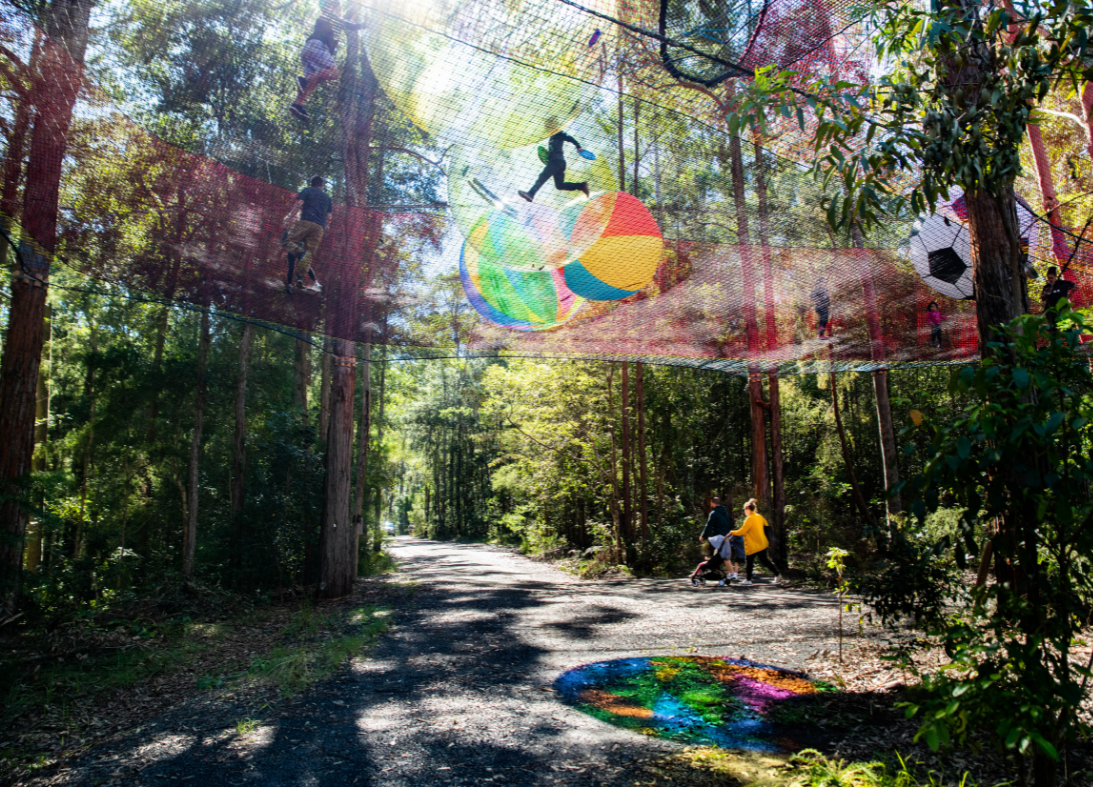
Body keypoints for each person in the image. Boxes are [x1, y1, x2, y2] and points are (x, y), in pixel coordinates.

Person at [290, 16, 365, 121]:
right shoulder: (329, 15)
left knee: (315, 79)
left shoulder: (331, 26)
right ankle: (304, 81)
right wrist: (363, 25)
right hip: (317, 46)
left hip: (308, 49)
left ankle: (297, 104)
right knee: (334, 73)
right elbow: (350, 24)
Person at [282, 176, 331, 294]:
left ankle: (304, 279)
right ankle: (298, 280)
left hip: (306, 221)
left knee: (287, 242)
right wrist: (324, 227)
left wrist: (288, 218)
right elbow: (329, 217)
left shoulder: (307, 190)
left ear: (312, 183)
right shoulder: (327, 198)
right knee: (308, 255)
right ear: (322, 185)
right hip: (319, 227)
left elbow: (299, 203)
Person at [518, 128, 591, 203]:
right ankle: (581, 186)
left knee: (543, 177)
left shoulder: (558, 133)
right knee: (559, 185)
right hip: (558, 163)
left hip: (556, 162)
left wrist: (578, 146)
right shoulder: (552, 137)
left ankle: (531, 194)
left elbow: (569, 138)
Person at [729, 498, 781, 586]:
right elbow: (767, 526)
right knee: (764, 560)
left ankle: (748, 580)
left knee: (749, 561)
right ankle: (777, 574)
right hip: (762, 543)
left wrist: (732, 532)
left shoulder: (749, 519)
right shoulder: (759, 516)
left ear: (748, 509)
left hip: (753, 545)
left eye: (744, 509)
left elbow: (742, 531)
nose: (744, 511)